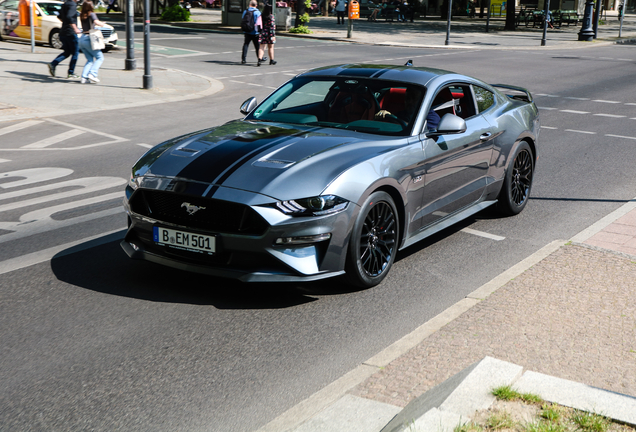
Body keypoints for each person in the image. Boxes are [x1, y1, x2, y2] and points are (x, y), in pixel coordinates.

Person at [48, 0, 81, 79]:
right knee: (75, 53)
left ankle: (53, 64)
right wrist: (75, 28)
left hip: (63, 32)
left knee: (67, 52)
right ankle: (71, 72)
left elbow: (59, 16)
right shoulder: (72, 4)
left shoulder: (65, 4)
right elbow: (70, 17)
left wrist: (65, 22)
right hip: (70, 33)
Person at [78, 0, 105, 84]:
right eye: (92, 5)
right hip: (89, 39)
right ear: (90, 6)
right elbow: (96, 22)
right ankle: (92, 74)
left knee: (90, 60)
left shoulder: (82, 15)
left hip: (82, 39)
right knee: (100, 57)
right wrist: (102, 24)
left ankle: (84, 77)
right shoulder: (92, 14)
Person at [241, 0, 262, 64]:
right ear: (256, 5)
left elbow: (243, 19)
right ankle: (259, 59)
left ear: (250, 4)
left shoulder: (246, 11)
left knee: (246, 44)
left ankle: (243, 59)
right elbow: (259, 23)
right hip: (255, 32)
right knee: (257, 46)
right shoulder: (258, 12)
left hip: (247, 31)